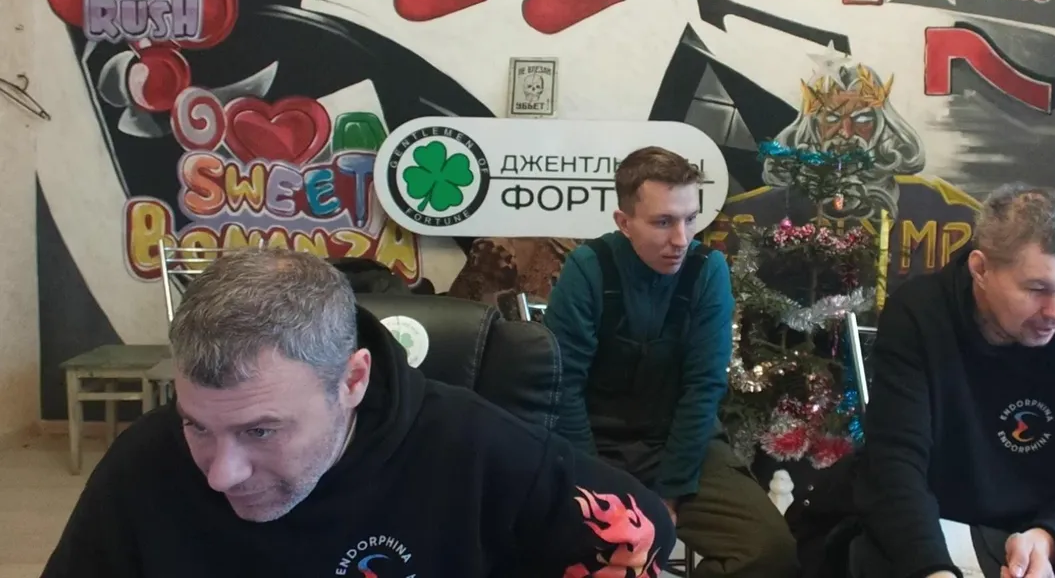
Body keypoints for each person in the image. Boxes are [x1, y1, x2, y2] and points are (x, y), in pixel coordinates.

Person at [43, 249, 675, 577]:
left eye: (260, 430)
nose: (221, 472)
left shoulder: (472, 449)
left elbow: (643, 530)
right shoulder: (145, 463)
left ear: (352, 381)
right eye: (197, 425)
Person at [853, 183, 1055, 578]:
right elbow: (895, 463)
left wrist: (1049, 539)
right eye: (1037, 289)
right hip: (937, 526)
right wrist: (932, 569)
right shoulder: (919, 316)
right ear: (981, 270)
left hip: (1041, 534)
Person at [544, 146, 799, 578]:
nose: (681, 239)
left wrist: (669, 495)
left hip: (681, 444)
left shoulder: (707, 271)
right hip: (593, 445)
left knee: (769, 550)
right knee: (561, 548)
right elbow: (563, 387)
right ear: (624, 222)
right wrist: (599, 492)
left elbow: (703, 388)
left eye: (690, 219)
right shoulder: (588, 269)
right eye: (663, 222)